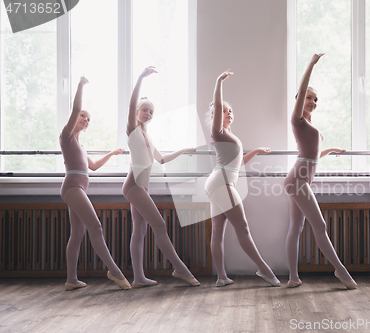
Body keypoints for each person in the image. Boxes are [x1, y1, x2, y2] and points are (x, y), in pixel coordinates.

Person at [284, 54, 356, 289]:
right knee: (321, 226)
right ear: (299, 100)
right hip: (297, 180)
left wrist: (329, 150)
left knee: (296, 228)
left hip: (302, 178)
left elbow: (311, 154)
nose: (313, 101)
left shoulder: (311, 126)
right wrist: (311, 65)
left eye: (316, 99)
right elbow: (302, 87)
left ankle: (293, 277)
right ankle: (341, 271)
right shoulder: (297, 121)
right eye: (308, 98)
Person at [123, 66, 199, 288]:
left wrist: (184, 150)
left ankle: (138, 278)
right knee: (160, 225)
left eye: (151, 112)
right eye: (144, 110)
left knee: (140, 230)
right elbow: (130, 104)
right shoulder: (132, 130)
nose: (148, 114)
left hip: (141, 187)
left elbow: (162, 160)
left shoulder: (148, 136)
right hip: (134, 185)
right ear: (137, 112)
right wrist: (139, 78)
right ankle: (180, 269)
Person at [205, 69, 280, 287]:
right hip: (222, 183)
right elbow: (217, 105)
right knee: (243, 228)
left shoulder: (228, 136)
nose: (229, 113)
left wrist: (255, 150)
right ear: (215, 116)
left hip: (219, 182)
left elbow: (238, 164)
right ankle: (264, 269)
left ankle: (221, 277)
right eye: (224, 111)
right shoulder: (217, 131)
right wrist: (219, 82)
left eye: (231, 111)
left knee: (218, 231)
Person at [61, 76, 131, 291]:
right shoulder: (66, 136)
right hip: (72, 188)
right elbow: (75, 109)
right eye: (83, 116)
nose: (85, 119)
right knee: (96, 227)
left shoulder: (81, 146)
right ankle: (114, 271)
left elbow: (93, 167)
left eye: (88, 119)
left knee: (78, 234)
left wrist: (111, 153)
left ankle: (71, 280)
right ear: (74, 118)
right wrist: (81, 85)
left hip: (78, 188)